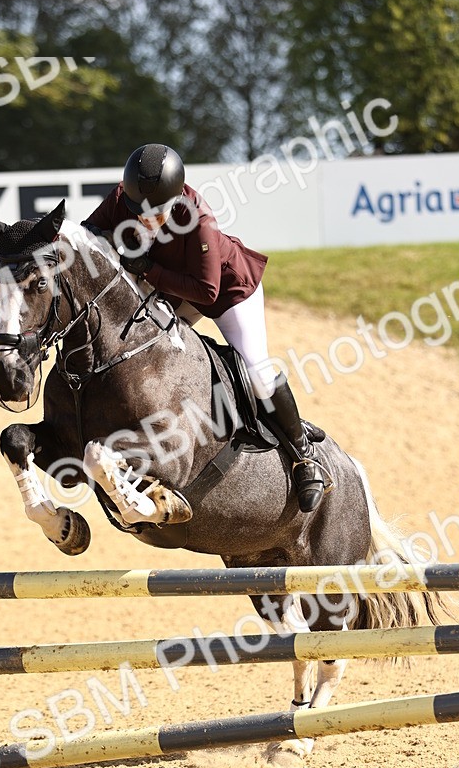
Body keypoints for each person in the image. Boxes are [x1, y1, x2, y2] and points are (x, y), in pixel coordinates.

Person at [82, 143, 327, 512]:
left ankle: (304, 456)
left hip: (228, 292)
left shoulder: (198, 219)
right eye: (139, 213)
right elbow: (88, 234)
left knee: (257, 370)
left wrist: (146, 269)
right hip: (172, 289)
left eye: (157, 214)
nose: (146, 220)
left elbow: (206, 290)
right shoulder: (121, 198)